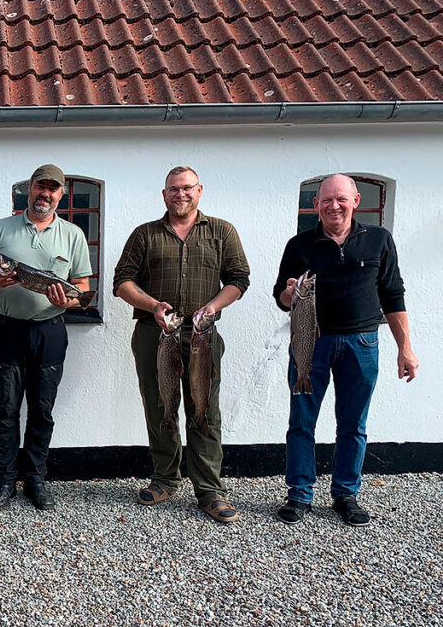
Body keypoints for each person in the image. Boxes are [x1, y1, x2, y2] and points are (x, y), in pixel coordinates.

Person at [272, 174, 418, 527]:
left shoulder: (379, 239)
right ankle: (299, 494)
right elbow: (281, 297)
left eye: (341, 198)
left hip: (362, 343)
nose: (333, 206)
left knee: (353, 424)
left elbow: (393, 294)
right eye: (326, 200)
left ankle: (345, 494)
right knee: (301, 422)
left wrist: (405, 349)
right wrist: (289, 294)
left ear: (355, 200)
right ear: (315, 204)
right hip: (311, 343)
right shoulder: (299, 245)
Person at [113, 166, 250, 523]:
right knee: (161, 405)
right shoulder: (145, 234)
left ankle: (210, 491)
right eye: (174, 189)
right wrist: (153, 306)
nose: (180, 194)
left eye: (187, 188)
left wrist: (213, 306)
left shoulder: (221, 231)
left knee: (204, 408)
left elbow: (239, 279)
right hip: (155, 334)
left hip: (203, 334)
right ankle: (165, 478)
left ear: (199, 191)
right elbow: (122, 281)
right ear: (164, 194)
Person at [0, 164, 91, 511]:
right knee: (5, 408)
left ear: (61, 195)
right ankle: (5, 479)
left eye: (53, 189)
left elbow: (82, 288)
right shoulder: (1, 229)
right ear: (30, 188)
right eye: (41, 186)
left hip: (49, 331)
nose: (45, 193)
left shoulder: (73, 235)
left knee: (42, 409)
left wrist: (67, 301)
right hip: (7, 330)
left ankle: (35, 479)